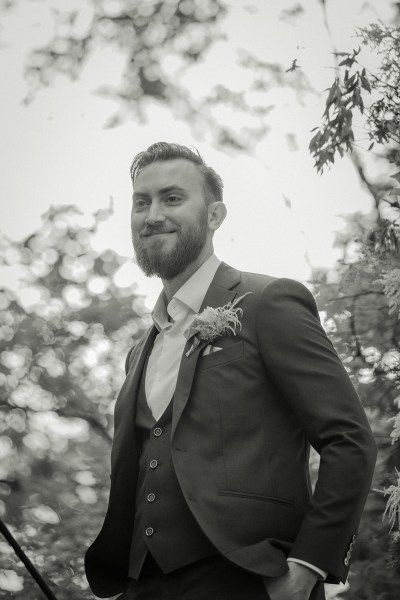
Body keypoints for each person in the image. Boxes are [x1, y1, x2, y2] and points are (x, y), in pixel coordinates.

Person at [85, 142, 377, 600]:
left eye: (172, 198)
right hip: (142, 584)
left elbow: (349, 440)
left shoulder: (269, 302)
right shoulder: (138, 351)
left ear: (216, 215)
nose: (153, 214)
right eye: (141, 203)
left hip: (249, 579)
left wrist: (307, 566)